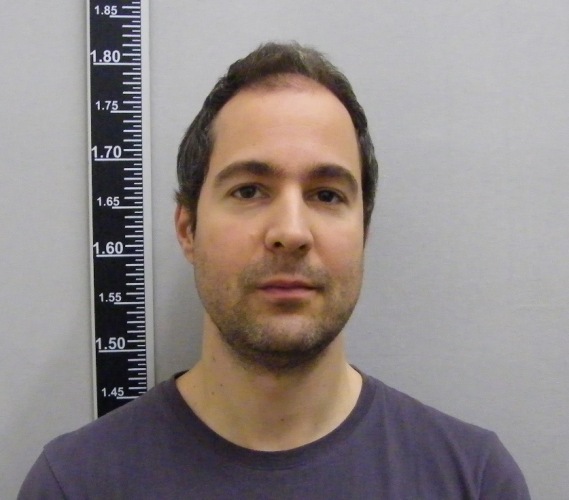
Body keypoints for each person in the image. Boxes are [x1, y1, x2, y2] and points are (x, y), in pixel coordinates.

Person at [18, 41, 530, 499]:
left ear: (364, 233)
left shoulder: (474, 479)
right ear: (188, 229)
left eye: (326, 195)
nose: (291, 231)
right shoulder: (75, 484)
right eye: (249, 190)